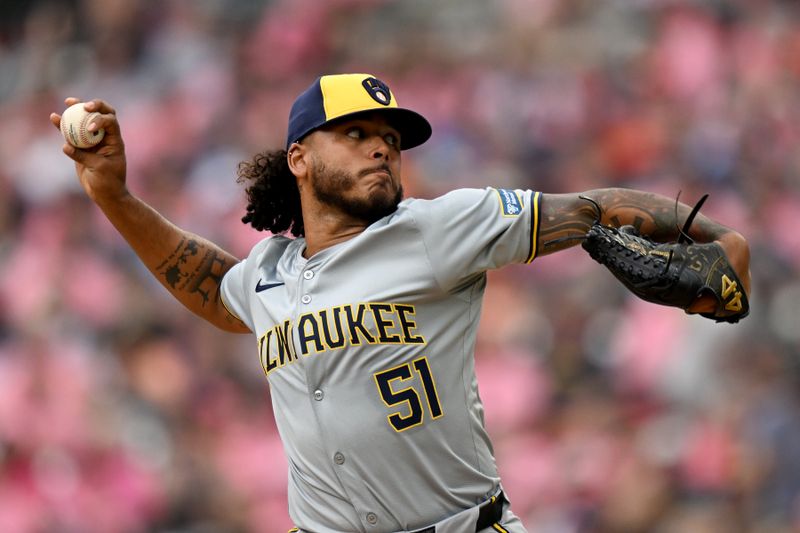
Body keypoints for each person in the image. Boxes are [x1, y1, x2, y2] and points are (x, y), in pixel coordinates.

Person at [51, 73, 751, 533]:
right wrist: (114, 195)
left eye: (389, 139)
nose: (381, 149)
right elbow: (207, 283)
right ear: (299, 158)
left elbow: (593, 207)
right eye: (354, 134)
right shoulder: (268, 272)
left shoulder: (436, 227)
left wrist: (719, 237)